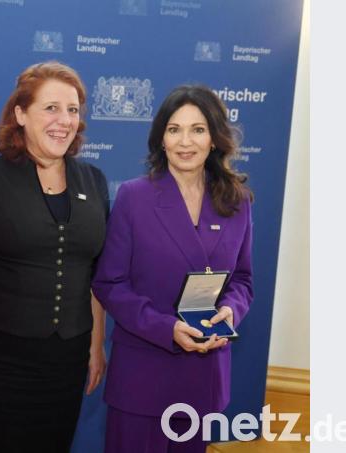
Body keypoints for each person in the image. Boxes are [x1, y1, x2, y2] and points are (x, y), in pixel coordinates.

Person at [91, 84, 254, 452]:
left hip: (203, 376)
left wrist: (230, 311)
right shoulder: (135, 197)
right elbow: (109, 283)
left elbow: (243, 280)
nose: (186, 141)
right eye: (174, 129)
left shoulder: (237, 201)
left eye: (198, 129)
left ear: (214, 138)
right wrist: (167, 329)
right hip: (142, 377)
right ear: (161, 138)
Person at [0, 61, 109, 453]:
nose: (64, 120)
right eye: (51, 108)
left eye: (73, 110)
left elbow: (95, 273)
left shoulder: (93, 181)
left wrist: (96, 347)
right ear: (21, 114)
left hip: (67, 361)